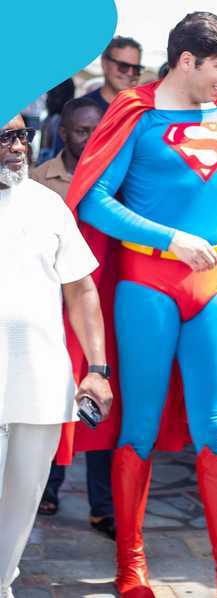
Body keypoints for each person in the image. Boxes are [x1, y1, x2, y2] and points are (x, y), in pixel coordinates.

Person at [67, 12, 217, 597]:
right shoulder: (135, 114)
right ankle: (131, 567)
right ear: (188, 61)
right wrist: (168, 239)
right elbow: (94, 199)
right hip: (146, 285)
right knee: (139, 427)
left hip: (216, 286)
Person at [0, 115, 114, 595]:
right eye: (5, 137)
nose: (19, 147)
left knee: (19, 510)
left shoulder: (47, 205)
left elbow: (81, 289)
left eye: (22, 135)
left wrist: (97, 369)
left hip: (40, 387)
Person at [32, 96, 115, 535]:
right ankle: (47, 487)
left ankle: (103, 504)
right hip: (53, 308)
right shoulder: (38, 180)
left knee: (100, 403)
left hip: (103, 305)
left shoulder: (116, 175)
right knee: (53, 401)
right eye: (82, 131)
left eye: (97, 130)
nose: (90, 138)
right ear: (62, 133)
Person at [83, 36, 143, 114]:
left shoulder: (147, 110)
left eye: (136, 68)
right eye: (123, 66)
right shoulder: (81, 110)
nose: (130, 73)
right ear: (104, 64)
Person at [36, 78, 76, 165]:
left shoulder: (58, 120)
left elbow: (55, 154)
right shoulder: (48, 119)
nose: (48, 100)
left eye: (52, 96)